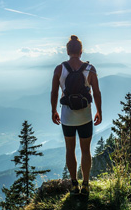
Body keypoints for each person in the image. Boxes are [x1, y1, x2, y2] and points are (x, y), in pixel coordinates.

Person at [51, 35, 102, 196]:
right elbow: (97, 92)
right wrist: (99, 111)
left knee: (70, 149)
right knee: (85, 150)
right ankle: (86, 184)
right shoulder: (90, 69)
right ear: (81, 51)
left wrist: (54, 110)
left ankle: (74, 184)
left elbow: (54, 92)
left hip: (67, 116)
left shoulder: (59, 69)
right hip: (85, 116)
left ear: (67, 51)